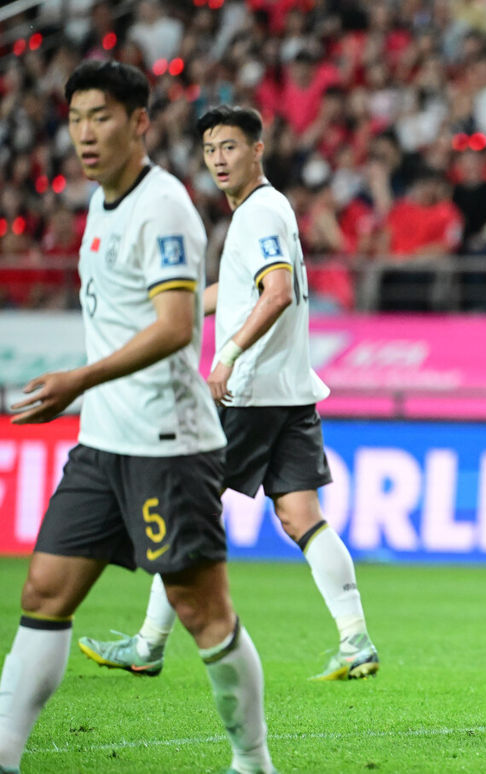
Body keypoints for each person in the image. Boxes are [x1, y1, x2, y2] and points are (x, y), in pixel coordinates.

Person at [0, 62, 275, 774]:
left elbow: (177, 325)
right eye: (76, 119)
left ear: (139, 122)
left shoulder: (165, 207)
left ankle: (253, 761)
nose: (85, 135)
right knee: (44, 594)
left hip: (166, 444)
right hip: (103, 443)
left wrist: (80, 382)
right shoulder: (100, 201)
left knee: (202, 615)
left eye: (102, 117)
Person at [77, 105, 379, 682]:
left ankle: (148, 643)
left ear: (257, 149)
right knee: (301, 518)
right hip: (291, 394)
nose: (218, 159)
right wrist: (180, 303)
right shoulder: (266, 211)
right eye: (211, 149)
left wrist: (229, 352)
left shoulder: (258, 214)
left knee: (184, 509)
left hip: (250, 393)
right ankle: (355, 639)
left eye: (230, 148)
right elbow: (245, 290)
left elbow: (277, 292)